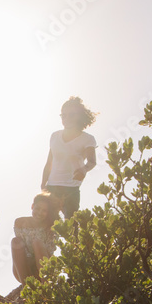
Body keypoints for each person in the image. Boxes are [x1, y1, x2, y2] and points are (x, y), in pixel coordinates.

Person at [41, 96, 97, 224]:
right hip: (51, 187)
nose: (67, 119)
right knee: (47, 225)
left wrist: (84, 169)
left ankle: (73, 245)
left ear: (80, 116)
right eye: (63, 115)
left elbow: (92, 162)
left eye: (72, 115)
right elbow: (49, 162)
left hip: (71, 189)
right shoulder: (55, 136)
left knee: (71, 227)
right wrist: (43, 184)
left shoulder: (88, 139)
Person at [12, 192, 58, 284]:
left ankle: (46, 288)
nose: (40, 213)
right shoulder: (20, 222)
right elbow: (21, 251)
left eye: (44, 211)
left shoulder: (51, 226)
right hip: (24, 269)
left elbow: (49, 253)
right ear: (32, 206)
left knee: (37, 243)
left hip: (43, 269)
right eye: (37, 208)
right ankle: (27, 287)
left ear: (48, 213)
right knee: (15, 241)